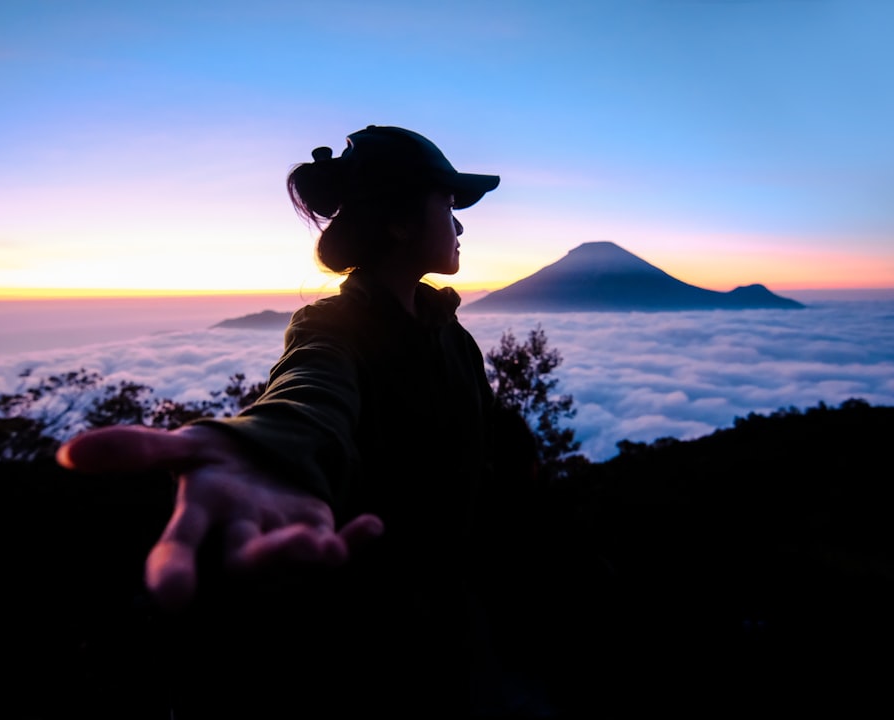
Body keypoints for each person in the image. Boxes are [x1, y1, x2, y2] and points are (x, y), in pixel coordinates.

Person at [57, 125, 551, 716]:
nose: (461, 224)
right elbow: (309, 391)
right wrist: (262, 447)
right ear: (397, 222)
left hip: (462, 617)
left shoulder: (450, 334)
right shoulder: (332, 330)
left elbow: (484, 439)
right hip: (372, 649)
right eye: (447, 204)